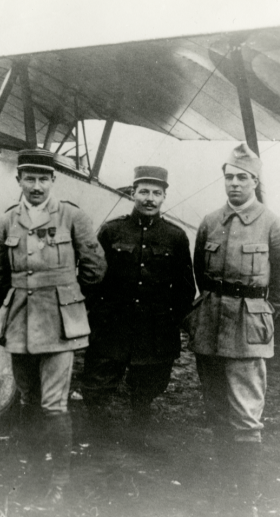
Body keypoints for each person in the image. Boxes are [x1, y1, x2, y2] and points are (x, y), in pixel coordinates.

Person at [184, 143, 280, 517]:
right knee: (216, 412)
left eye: (242, 178)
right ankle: (225, 491)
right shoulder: (210, 222)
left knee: (246, 419)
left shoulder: (272, 224)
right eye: (229, 177)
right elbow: (202, 271)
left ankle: (246, 509)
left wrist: (259, 315)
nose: (234, 184)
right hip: (210, 327)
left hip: (247, 333)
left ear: (255, 181)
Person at [0, 149, 105, 507]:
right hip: (21, 323)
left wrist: (65, 295)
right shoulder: (8, 220)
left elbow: (95, 267)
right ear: (19, 180)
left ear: (53, 181)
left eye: (43, 179)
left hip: (58, 326)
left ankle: (59, 481)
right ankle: (35, 470)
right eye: (29, 178)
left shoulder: (71, 216)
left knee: (54, 405)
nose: (36, 186)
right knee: (28, 400)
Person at [81, 166, 194, 449]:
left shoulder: (175, 237)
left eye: (157, 193)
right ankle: (97, 436)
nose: (149, 198)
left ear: (164, 197)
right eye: (144, 191)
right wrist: (96, 316)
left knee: (148, 385)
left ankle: (138, 433)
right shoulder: (111, 230)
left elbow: (185, 288)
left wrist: (171, 321)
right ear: (133, 193)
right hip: (112, 324)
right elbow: (91, 277)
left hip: (153, 328)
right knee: (97, 384)